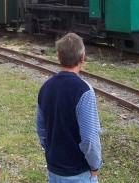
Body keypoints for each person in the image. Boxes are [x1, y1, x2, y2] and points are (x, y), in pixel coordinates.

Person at [37, 33, 103, 182]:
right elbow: (89, 139)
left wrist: (52, 153)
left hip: (54, 171)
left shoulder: (45, 87)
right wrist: (95, 165)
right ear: (82, 58)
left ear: (58, 56)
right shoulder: (84, 91)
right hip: (79, 173)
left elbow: (41, 130)